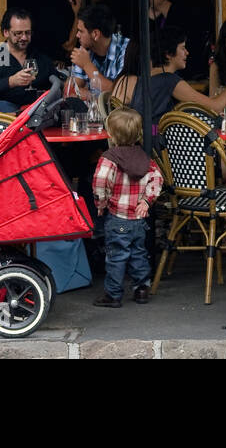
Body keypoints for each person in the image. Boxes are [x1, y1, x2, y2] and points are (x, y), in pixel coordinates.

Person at [112, 26, 226, 128]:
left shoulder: (140, 79)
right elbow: (215, 107)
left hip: (147, 146)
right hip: (167, 153)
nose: (187, 53)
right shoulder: (169, 81)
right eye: (182, 48)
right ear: (169, 53)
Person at [91, 107, 163, 308]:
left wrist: (101, 203)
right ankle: (141, 289)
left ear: (111, 134)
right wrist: (147, 201)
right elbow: (157, 179)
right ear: (138, 133)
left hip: (117, 217)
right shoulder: (144, 157)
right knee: (138, 252)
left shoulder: (110, 158)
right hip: (139, 220)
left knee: (116, 255)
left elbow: (100, 182)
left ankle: (113, 294)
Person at [0, 8, 55, 109]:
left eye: (27, 33)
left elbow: (55, 80)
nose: (24, 37)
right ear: (6, 32)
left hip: (37, 113)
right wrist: (10, 81)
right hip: (5, 117)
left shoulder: (40, 56)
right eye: (18, 33)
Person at [69, 4, 128, 95]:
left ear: (95, 34)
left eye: (81, 31)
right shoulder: (84, 49)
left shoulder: (125, 50)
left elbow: (121, 93)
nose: (77, 35)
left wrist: (87, 65)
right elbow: (69, 91)